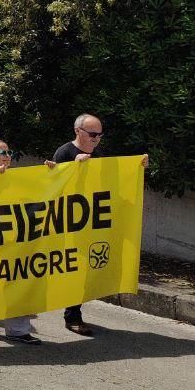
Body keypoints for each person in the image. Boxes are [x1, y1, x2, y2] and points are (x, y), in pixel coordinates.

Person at [48, 113, 148, 336]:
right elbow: (53, 184)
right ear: (78, 132)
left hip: (94, 222)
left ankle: (73, 311)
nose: (96, 139)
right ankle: (71, 315)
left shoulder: (100, 155)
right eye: (92, 134)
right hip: (72, 223)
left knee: (85, 271)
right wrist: (73, 167)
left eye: (100, 135)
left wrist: (136, 167)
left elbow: (113, 181)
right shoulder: (64, 152)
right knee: (75, 270)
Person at [0, 138, 42, 345]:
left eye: (9, 152)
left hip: (17, 241)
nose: (7, 156)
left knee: (19, 280)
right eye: (2, 152)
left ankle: (18, 330)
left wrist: (50, 172)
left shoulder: (19, 178)